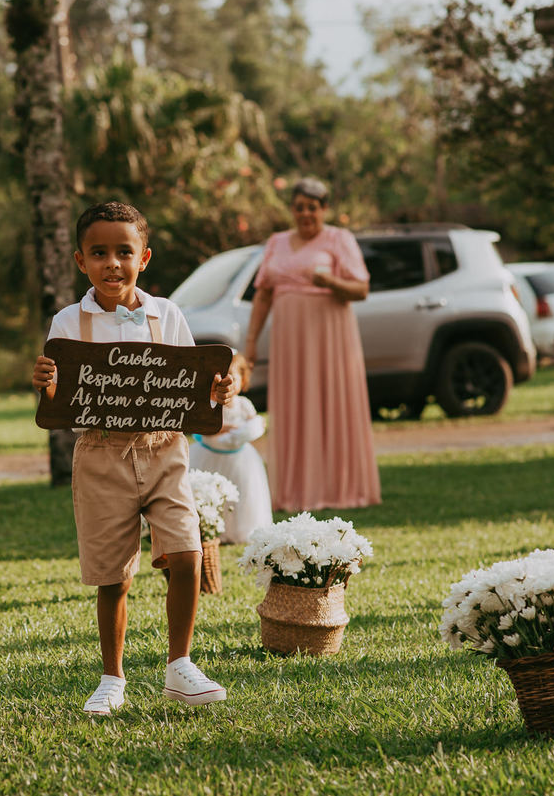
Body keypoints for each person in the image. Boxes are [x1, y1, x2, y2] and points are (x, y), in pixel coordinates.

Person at [32, 202, 235, 715]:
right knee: (112, 575)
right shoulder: (67, 320)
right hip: (100, 454)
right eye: (99, 253)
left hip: (163, 448)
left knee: (187, 553)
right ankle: (111, 677)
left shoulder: (165, 314)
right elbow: (58, 403)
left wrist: (218, 389)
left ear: (144, 258)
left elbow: (192, 387)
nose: (112, 264)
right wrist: (47, 386)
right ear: (81, 261)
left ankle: (179, 665)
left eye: (124, 252)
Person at [243, 177, 381, 511]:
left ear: (324, 209)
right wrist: (251, 343)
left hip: (329, 335)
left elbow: (361, 289)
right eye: (300, 208)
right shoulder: (276, 242)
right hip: (289, 338)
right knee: (294, 404)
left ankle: (339, 488)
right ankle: (293, 491)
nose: (306, 214)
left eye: (313, 208)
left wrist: (329, 281)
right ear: (292, 210)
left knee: (332, 402)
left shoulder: (339, 239)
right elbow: (263, 295)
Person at [188, 353, 272, 544]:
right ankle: (209, 529)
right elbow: (207, 430)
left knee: (243, 494)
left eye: (233, 377)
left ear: (243, 381)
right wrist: (230, 429)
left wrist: (250, 428)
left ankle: (239, 530)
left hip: (240, 459)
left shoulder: (244, 405)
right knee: (209, 494)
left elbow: (254, 424)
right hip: (209, 457)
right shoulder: (210, 405)